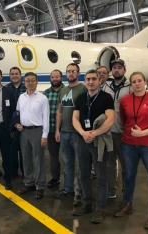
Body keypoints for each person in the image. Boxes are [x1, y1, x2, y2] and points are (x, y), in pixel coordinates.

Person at [114, 72, 148, 230]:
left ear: (144, 82)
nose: (137, 84)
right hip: (128, 144)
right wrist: (132, 133)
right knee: (129, 176)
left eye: (139, 81)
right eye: (134, 82)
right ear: (130, 84)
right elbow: (124, 120)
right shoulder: (125, 101)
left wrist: (143, 133)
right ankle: (127, 203)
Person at [72, 69, 115, 223]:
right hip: (82, 140)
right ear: (85, 81)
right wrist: (83, 133)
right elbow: (75, 118)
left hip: (99, 142)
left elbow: (110, 120)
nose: (90, 82)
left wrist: (94, 133)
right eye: (88, 79)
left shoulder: (106, 98)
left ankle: (100, 208)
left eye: (93, 79)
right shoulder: (80, 97)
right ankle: (86, 204)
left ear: (99, 80)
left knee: (101, 176)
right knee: (83, 174)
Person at [54, 63, 86, 206]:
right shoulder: (63, 90)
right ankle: (68, 189)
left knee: (80, 164)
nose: (70, 73)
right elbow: (60, 111)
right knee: (67, 163)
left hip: (78, 134)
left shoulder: (83, 89)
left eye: (73, 71)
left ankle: (80, 192)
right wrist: (57, 130)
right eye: (68, 71)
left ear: (78, 73)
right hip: (65, 132)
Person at [16, 72, 49, 199]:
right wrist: (17, 124)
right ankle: (28, 183)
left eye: (33, 80)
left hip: (37, 131)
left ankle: (40, 186)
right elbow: (17, 113)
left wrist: (44, 135)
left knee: (38, 159)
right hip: (24, 131)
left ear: (36, 82)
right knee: (26, 158)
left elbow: (45, 118)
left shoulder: (42, 98)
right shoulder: (21, 97)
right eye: (28, 80)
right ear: (24, 82)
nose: (30, 82)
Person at [102, 59, 133, 199]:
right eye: (114, 68)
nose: (116, 70)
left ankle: (127, 191)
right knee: (109, 164)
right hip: (109, 132)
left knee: (126, 165)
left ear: (124, 70)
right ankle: (111, 190)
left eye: (119, 67)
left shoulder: (131, 87)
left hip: (125, 133)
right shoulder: (106, 86)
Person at [43, 69, 64, 188]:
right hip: (51, 129)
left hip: (65, 129)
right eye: (53, 77)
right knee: (53, 156)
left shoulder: (67, 91)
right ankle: (55, 178)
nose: (55, 79)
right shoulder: (45, 93)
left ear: (61, 78)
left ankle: (68, 179)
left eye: (57, 77)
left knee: (67, 156)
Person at [5, 67, 27, 178]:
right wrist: (11, 126)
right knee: (12, 150)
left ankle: (25, 172)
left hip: (24, 123)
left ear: (20, 75)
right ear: (10, 76)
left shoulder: (26, 87)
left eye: (16, 73)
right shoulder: (6, 88)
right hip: (11, 123)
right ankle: (13, 171)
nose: (14, 75)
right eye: (12, 73)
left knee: (23, 150)